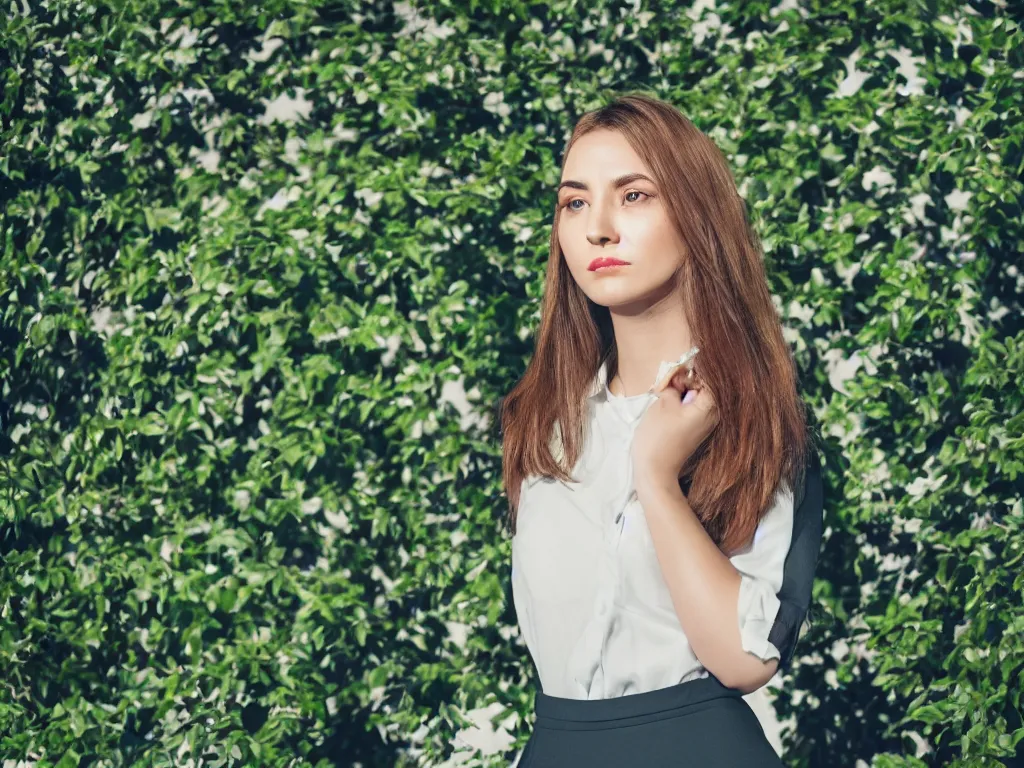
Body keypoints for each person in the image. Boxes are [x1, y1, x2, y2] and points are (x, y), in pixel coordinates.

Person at [499, 93, 825, 767]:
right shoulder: (544, 427)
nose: (599, 228)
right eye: (575, 202)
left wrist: (656, 474)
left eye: (635, 195)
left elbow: (744, 658)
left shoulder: (761, 422)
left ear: (696, 216)